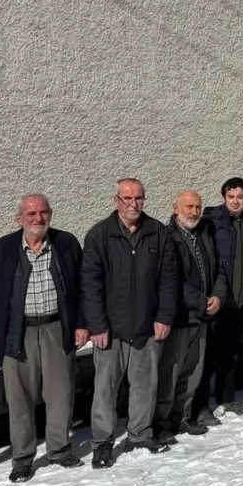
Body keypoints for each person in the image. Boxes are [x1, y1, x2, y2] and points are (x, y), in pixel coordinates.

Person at [0, 194, 85, 484]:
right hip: (17, 332)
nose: (38, 218)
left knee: (60, 393)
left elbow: (82, 287)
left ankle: (59, 450)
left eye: (43, 212)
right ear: (19, 219)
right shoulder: (3, 249)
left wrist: (82, 324)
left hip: (56, 327)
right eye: (31, 213)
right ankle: (23, 458)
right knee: (19, 397)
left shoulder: (66, 243)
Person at [82, 178, 179, 469]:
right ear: (116, 200)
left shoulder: (157, 232)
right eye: (127, 198)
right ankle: (102, 442)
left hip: (147, 327)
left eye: (138, 198)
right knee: (105, 389)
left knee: (145, 386)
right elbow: (91, 284)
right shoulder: (100, 234)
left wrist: (164, 317)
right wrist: (97, 325)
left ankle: (139, 434)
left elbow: (168, 280)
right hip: (110, 330)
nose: (133, 204)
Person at [154, 190, 227, 440]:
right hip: (180, 318)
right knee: (171, 373)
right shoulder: (168, 237)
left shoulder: (204, 234)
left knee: (193, 371)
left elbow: (219, 269)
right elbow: (172, 279)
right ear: (176, 208)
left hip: (202, 316)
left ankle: (182, 417)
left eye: (197, 207)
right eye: (189, 207)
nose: (194, 212)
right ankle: (162, 423)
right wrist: (201, 302)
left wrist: (218, 296)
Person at [200, 178, 243, 418]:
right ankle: (201, 407)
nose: (235, 201)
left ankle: (227, 400)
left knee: (230, 353)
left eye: (240, 197)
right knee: (209, 355)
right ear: (224, 197)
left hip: (241, 300)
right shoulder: (212, 221)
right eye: (231, 197)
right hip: (217, 300)